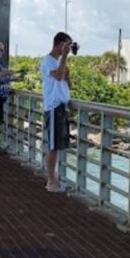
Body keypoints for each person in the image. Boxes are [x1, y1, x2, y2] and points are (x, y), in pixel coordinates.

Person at [40, 32, 73, 192]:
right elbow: (58, 77)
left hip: (61, 106)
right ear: (60, 44)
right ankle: (51, 182)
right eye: (67, 45)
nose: (68, 49)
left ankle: (56, 179)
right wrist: (64, 58)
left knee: (57, 145)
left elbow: (67, 82)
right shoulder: (47, 61)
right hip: (53, 106)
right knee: (53, 146)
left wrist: (67, 69)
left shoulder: (60, 62)